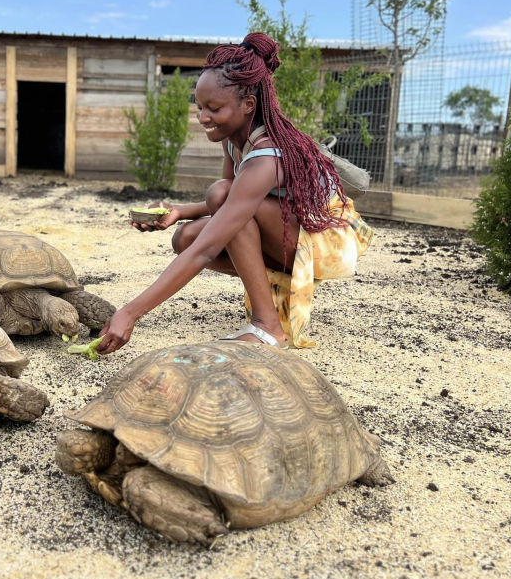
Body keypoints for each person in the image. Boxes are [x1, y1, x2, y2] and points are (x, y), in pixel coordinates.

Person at [96, 32, 373, 355]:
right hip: (291, 232)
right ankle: (266, 302)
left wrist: (130, 312)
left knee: (221, 221)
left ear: (248, 104)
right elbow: (226, 202)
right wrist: (180, 212)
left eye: (214, 108)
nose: (202, 117)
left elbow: (215, 239)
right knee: (190, 231)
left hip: (328, 242)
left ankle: (268, 326)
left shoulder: (267, 156)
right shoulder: (234, 140)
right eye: (199, 107)